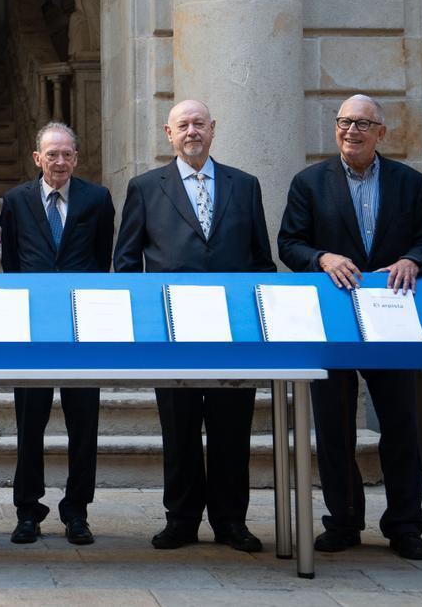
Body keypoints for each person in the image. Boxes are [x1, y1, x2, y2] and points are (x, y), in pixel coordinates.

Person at [277, 94, 422, 560]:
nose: (352, 130)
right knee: (333, 427)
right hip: (332, 318)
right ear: (335, 129)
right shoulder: (309, 182)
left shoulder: (411, 183)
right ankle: (344, 521)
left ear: (381, 133)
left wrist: (414, 258)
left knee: (401, 425)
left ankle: (405, 525)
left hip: (392, 319)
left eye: (362, 124)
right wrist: (321, 258)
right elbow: (289, 242)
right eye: (344, 122)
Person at [113, 99, 276, 552]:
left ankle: (231, 522)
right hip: (172, 332)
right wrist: (142, 324)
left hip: (233, 333)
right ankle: (181, 520)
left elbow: (262, 261)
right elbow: (126, 264)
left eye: (199, 124)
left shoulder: (245, 185)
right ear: (169, 133)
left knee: (231, 429)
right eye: (182, 125)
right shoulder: (145, 187)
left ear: (213, 128)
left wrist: (258, 322)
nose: (192, 132)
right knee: (179, 428)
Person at [0, 121, 114, 545]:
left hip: (83, 328)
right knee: (29, 423)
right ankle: (27, 510)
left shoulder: (98, 199)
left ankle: (77, 511)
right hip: (31, 329)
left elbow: (102, 258)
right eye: (52, 154)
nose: (60, 161)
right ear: (37, 158)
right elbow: (11, 261)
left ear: (76, 158)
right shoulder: (15, 201)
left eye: (67, 154)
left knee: (83, 424)